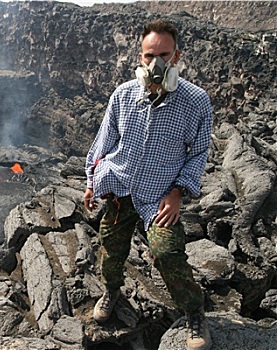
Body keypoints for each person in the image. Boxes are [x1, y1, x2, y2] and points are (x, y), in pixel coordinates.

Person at [83, 19, 212, 350]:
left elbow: (198, 153)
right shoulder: (123, 95)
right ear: (139, 57)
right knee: (111, 250)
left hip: (159, 194)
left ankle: (194, 313)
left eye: (163, 55)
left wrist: (178, 192)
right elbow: (103, 142)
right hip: (119, 187)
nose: (155, 64)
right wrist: (90, 181)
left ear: (177, 56)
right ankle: (112, 290)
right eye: (148, 55)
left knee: (166, 251)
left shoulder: (196, 101)